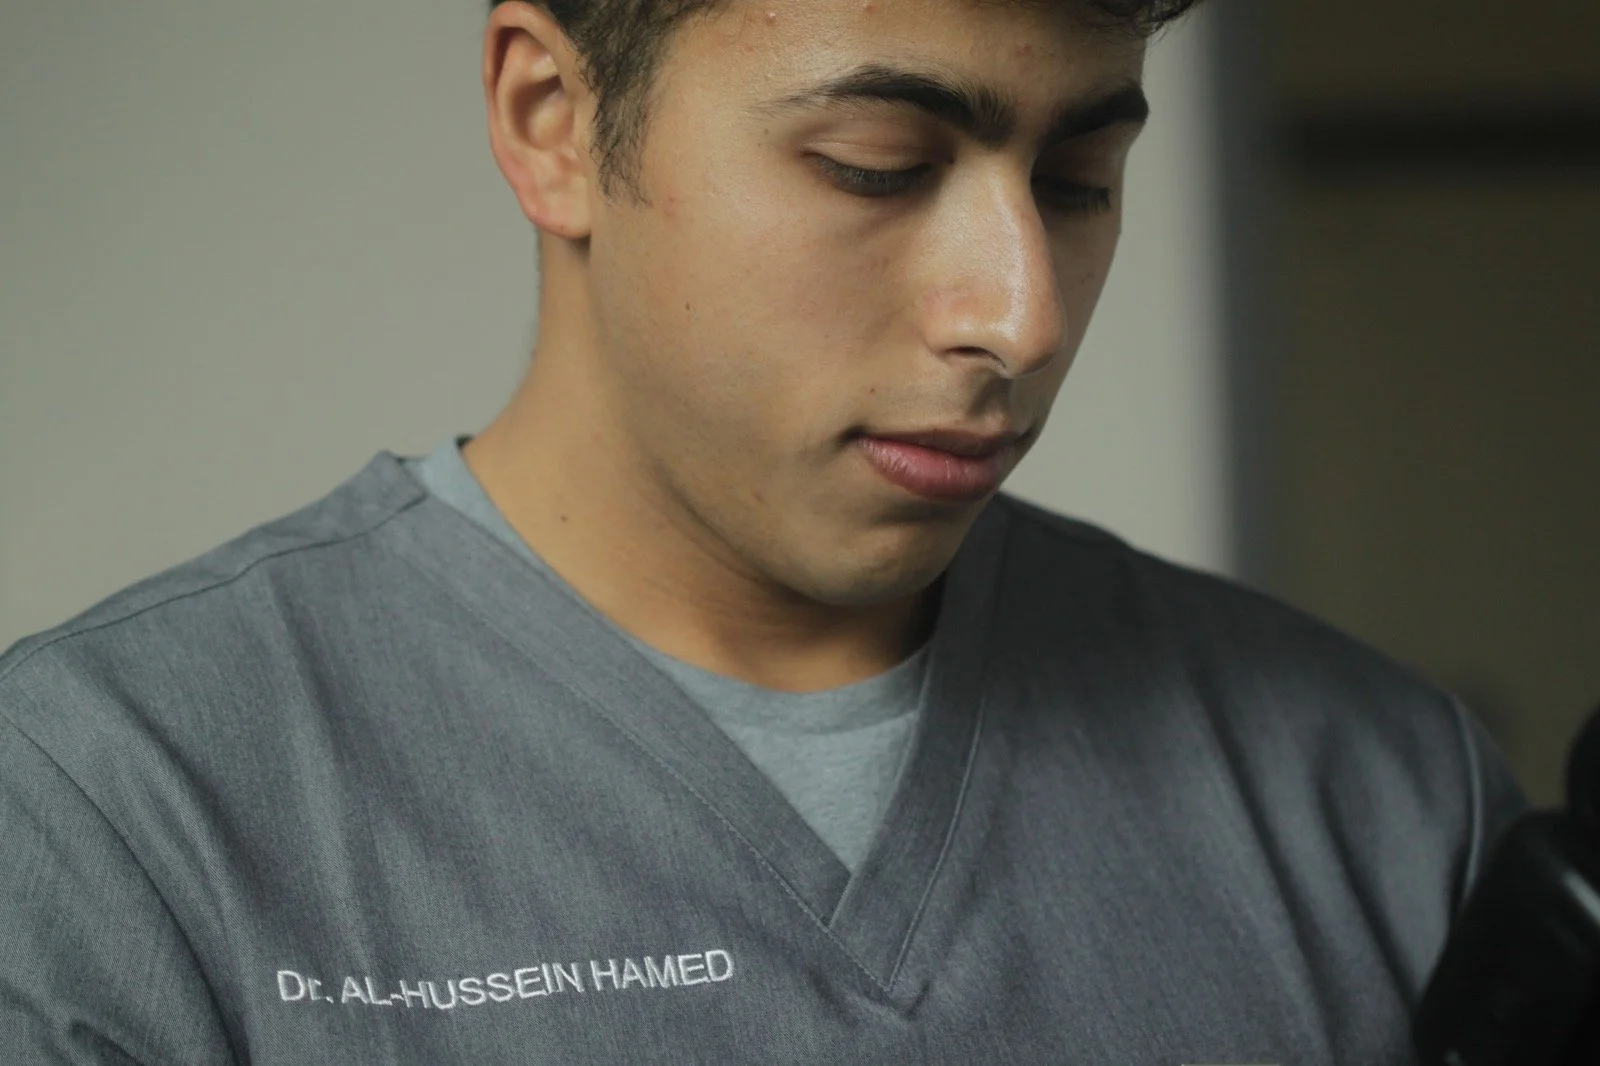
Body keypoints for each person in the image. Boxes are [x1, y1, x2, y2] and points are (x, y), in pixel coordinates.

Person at [0, 0, 1527, 1061]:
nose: (1020, 314)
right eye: (878, 164)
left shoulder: (1382, 794)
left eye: (1078, 181)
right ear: (553, 123)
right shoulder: (110, 813)